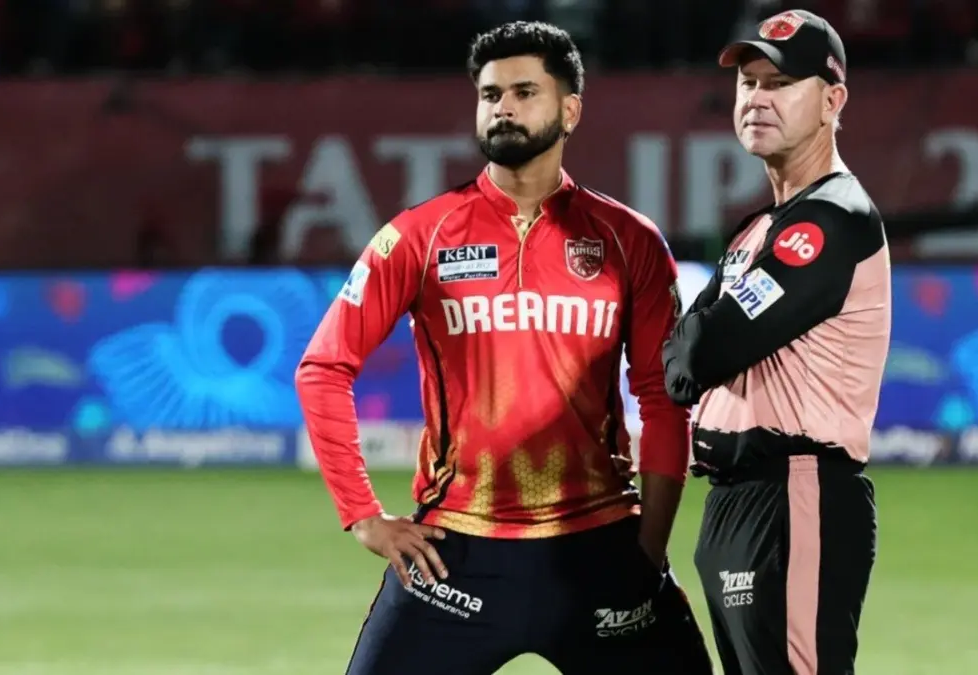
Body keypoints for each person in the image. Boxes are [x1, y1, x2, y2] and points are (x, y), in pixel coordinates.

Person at [296, 20, 712, 675]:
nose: (504, 107)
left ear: (570, 109)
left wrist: (650, 546)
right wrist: (363, 517)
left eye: (524, 91)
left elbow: (663, 397)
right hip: (454, 555)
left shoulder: (629, 240)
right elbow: (323, 368)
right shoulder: (418, 237)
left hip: (599, 548)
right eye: (491, 95)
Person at [662, 9, 890, 675]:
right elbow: (681, 361)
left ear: (832, 99)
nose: (757, 98)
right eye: (748, 83)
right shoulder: (758, 228)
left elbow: (700, 354)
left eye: (781, 82)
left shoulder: (832, 220)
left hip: (795, 493)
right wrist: (693, 346)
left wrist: (694, 346)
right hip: (741, 502)